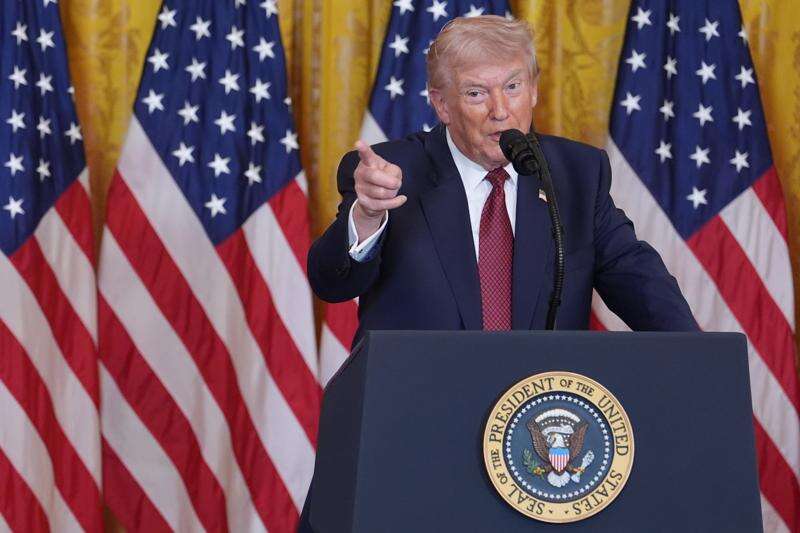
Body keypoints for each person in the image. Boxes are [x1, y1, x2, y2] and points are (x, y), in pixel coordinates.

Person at [307, 15, 698, 346]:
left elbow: (636, 278)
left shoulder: (577, 172)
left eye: (513, 87)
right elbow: (332, 285)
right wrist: (368, 216)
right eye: (477, 93)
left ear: (534, 90)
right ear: (442, 105)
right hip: (418, 402)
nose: (500, 111)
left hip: (536, 406)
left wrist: (696, 354)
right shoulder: (394, 173)